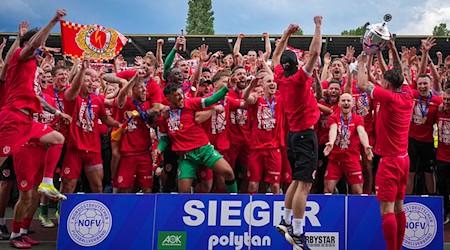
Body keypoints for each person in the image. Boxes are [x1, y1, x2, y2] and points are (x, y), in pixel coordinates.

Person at [0, 10, 68, 205]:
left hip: (27, 121)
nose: (41, 51)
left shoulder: (29, 67)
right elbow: (33, 45)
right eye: (39, 48)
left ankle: (47, 182)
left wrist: (56, 112)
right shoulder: (21, 58)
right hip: (12, 119)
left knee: (57, 139)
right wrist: (53, 20)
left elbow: (34, 46)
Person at [356, 36, 414, 250]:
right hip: (403, 159)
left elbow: (361, 84)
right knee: (399, 207)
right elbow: (400, 72)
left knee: (387, 210)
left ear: (387, 84)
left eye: (382, 81)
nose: (379, 82)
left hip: (390, 162)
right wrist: (391, 49)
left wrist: (363, 60)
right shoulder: (407, 94)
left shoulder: (388, 97)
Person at [273, 16, 323, 250]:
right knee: (304, 184)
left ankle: (285, 219)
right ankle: (298, 231)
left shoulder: (280, 78)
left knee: (296, 180)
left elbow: (275, 55)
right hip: (305, 136)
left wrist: (286, 35)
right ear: (296, 64)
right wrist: (317, 25)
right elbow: (314, 52)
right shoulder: (300, 80)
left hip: (293, 136)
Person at [153, 79, 238, 194]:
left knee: (228, 172)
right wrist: (159, 149)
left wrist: (226, 88)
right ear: (168, 98)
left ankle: (236, 200)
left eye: (181, 94)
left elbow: (211, 100)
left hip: (204, 150)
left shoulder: (190, 103)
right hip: (186, 156)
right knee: (183, 191)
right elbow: (164, 138)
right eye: (177, 95)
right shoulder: (164, 117)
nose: (181, 97)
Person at [243, 74, 285, 194]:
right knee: (252, 184)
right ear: (263, 85)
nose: (272, 83)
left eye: (273, 81)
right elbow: (246, 97)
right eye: (268, 81)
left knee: (276, 186)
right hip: (256, 148)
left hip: (274, 147)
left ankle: (275, 211)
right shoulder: (257, 99)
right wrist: (251, 86)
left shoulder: (280, 100)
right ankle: (251, 210)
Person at [323, 93, 372, 194]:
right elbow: (333, 129)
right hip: (335, 159)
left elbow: (361, 132)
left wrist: (366, 145)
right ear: (339, 103)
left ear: (353, 104)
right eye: (343, 100)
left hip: (352, 159)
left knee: (358, 191)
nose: (346, 103)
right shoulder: (333, 117)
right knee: (328, 190)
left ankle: (356, 210)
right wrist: (331, 142)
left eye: (348, 101)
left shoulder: (358, 119)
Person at [435, 88, 450, 224]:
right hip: (441, 157)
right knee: (442, 186)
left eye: (448, 100)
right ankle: (445, 211)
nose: (445, 102)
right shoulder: (438, 112)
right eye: (444, 99)